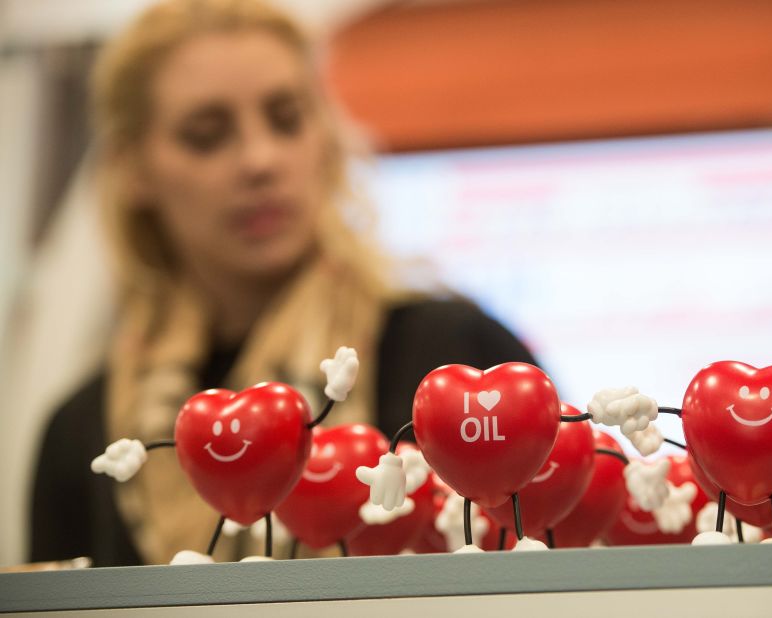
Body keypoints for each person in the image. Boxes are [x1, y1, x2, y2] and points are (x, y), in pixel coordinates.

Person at [30, 0, 535, 567]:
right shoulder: (83, 431)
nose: (260, 159)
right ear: (135, 171)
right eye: (206, 135)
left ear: (324, 134)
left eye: (286, 118)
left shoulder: (455, 358)